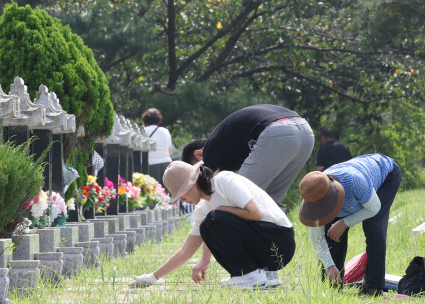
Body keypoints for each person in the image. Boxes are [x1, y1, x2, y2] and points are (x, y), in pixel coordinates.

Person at [129, 160, 295, 289]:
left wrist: (224, 209)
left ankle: (249, 276)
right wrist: (153, 277)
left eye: (182, 193)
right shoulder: (204, 209)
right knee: (208, 223)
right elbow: (186, 251)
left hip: (280, 242)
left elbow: (255, 213)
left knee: (214, 218)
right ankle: (257, 275)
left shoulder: (224, 181)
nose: (182, 200)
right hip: (264, 254)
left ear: (193, 183)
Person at [298, 154, 401, 295]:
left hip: (385, 175)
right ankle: (332, 287)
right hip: (356, 183)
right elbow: (317, 238)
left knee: (373, 227)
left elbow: (374, 207)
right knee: (331, 233)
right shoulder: (314, 192)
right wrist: (329, 266)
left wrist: (344, 223)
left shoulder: (355, 182)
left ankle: (373, 288)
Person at [181, 104, 314, 211]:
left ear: (198, 154)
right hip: (305, 131)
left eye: (197, 169)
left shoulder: (210, 151)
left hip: (278, 132)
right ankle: (275, 243)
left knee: (237, 198)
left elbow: (213, 194)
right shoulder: (225, 144)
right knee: (270, 201)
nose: (200, 174)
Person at [142, 108, 173, 183]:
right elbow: (169, 151)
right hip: (166, 163)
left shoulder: (143, 131)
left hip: (150, 164)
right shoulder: (165, 131)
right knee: (166, 192)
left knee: (152, 191)